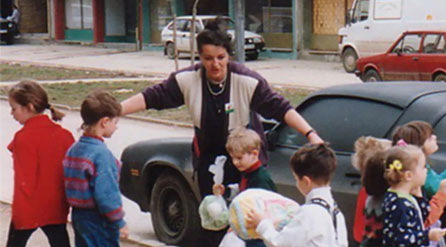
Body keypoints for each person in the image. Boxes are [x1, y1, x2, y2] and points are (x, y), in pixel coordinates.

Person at [119, 18, 321, 198]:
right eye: (208, 59)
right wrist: (117, 110)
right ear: (200, 57)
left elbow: (281, 108)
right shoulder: (188, 79)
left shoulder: (246, 81)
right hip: (209, 164)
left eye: (221, 57)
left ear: (228, 56)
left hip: (246, 164)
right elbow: (153, 96)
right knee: (214, 221)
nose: (215, 64)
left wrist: (310, 133)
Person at [1, 81, 77, 247]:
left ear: (30, 106)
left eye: (14, 108)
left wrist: (20, 211)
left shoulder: (23, 138)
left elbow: (24, 180)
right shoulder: (64, 135)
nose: (11, 113)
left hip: (30, 205)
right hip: (56, 205)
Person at [63, 90, 134, 247]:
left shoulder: (74, 150)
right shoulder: (101, 154)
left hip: (80, 216)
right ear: (104, 122)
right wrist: (119, 220)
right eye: (115, 123)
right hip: (99, 218)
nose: (116, 127)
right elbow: (106, 195)